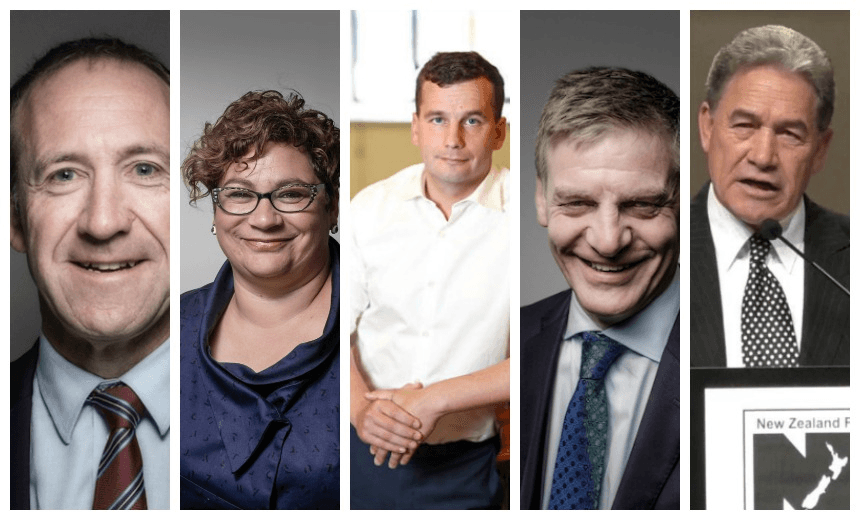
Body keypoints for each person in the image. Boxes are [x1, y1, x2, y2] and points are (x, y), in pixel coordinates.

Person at [9, 37, 170, 510]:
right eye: (63, 174)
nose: (103, 223)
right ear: (16, 218)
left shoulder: (276, 416)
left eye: (144, 169)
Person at [350, 51, 510, 509]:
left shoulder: (523, 221)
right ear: (415, 127)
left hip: (465, 467)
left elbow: (542, 352)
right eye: (438, 119)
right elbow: (331, 331)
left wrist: (434, 400)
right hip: (361, 450)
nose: (453, 139)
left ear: (498, 130)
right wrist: (362, 410)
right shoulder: (369, 209)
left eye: (472, 120)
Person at [521, 67, 680, 509]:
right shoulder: (513, 340)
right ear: (541, 200)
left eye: (643, 205)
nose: (608, 241)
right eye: (577, 203)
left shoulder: (744, 365)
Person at [179, 90, 340, 509]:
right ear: (216, 211)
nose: (264, 219)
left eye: (290, 194)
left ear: (332, 207)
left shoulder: (386, 319)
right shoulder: (165, 332)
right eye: (238, 194)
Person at [692, 25, 849, 368]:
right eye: (745, 126)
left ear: (820, 149)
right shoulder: (661, 246)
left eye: (789, 134)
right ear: (707, 127)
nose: (763, 157)